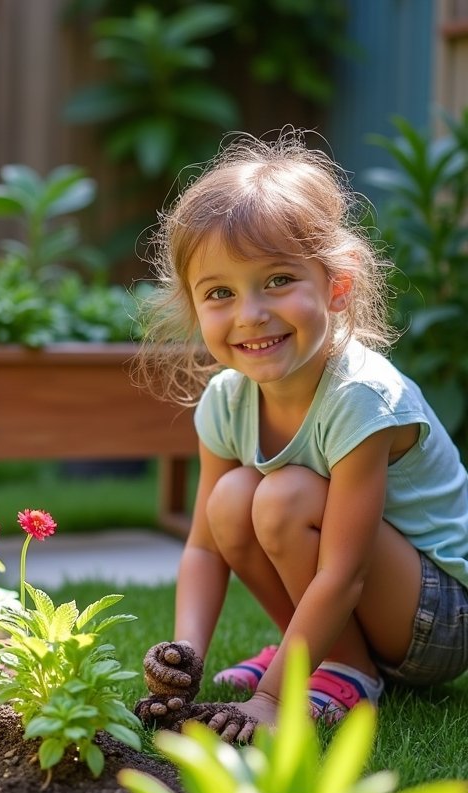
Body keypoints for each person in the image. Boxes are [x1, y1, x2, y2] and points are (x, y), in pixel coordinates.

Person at [133, 129, 468, 743]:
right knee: (231, 499)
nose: (251, 313)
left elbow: (344, 573)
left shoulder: (360, 396)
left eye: (279, 280)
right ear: (194, 306)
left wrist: (270, 700)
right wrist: (184, 656)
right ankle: (310, 650)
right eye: (220, 293)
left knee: (283, 497)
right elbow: (205, 547)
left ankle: (346, 670)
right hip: (368, 599)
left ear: (337, 285)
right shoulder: (227, 400)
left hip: (440, 618)